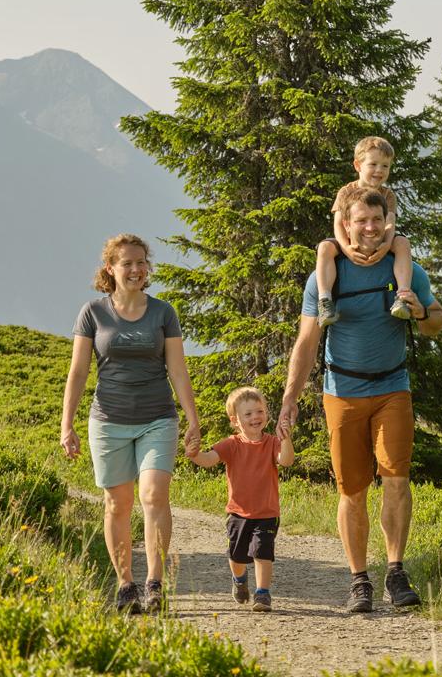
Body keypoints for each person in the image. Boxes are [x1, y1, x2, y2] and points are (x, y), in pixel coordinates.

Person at [281, 188, 442, 613]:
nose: (370, 228)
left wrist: (420, 311)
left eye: (377, 220)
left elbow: (437, 321)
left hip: (393, 388)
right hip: (342, 393)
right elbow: (307, 340)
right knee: (351, 490)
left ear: (386, 222)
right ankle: (359, 580)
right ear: (346, 224)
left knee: (396, 479)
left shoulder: (405, 269)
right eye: (361, 221)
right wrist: (289, 398)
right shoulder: (326, 275)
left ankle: (395, 571)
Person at [60, 233, 199, 614]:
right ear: (111, 268)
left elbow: (177, 369)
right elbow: (78, 372)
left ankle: (154, 582)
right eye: (127, 263)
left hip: (158, 418)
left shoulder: (163, 313)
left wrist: (193, 418)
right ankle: (125, 584)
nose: (136, 270)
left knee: (153, 496)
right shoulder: (93, 313)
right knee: (117, 504)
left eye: (141, 262)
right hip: (108, 421)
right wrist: (66, 424)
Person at [190, 386, 296, 612]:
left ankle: (263, 593)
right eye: (248, 414)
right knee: (237, 557)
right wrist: (195, 454)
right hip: (238, 512)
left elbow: (286, 461)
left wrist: (286, 439)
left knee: (262, 552)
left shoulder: (272, 442)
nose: (255, 417)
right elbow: (209, 459)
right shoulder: (231, 444)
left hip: (267, 512)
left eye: (260, 411)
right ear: (235, 421)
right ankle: (239, 580)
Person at [313, 136, 416, 327]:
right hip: (349, 240)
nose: (379, 170)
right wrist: (346, 248)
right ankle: (325, 301)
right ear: (358, 165)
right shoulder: (346, 191)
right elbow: (338, 224)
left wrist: (386, 245)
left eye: (385, 166)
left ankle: (402, 296)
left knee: (402, 243)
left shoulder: (387, 195)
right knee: (325, 248)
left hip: (380, 238)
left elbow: (390, 223)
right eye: (373, 164)